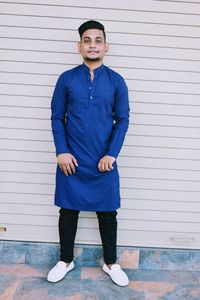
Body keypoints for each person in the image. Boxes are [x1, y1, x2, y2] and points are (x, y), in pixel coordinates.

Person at [47, 20, 130, 287]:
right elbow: (57, 117)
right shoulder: (67, 79)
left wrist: (112, 154)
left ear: (106, 46)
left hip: (103, 161)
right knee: (68, 211)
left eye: (97, 40)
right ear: (79, 45)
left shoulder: (116, 81)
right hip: (72, 159)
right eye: (87, 40)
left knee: (108, 213)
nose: (92, 45)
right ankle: (65, 259)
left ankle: (111, 262)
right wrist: (62, 151)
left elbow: (123, 119)